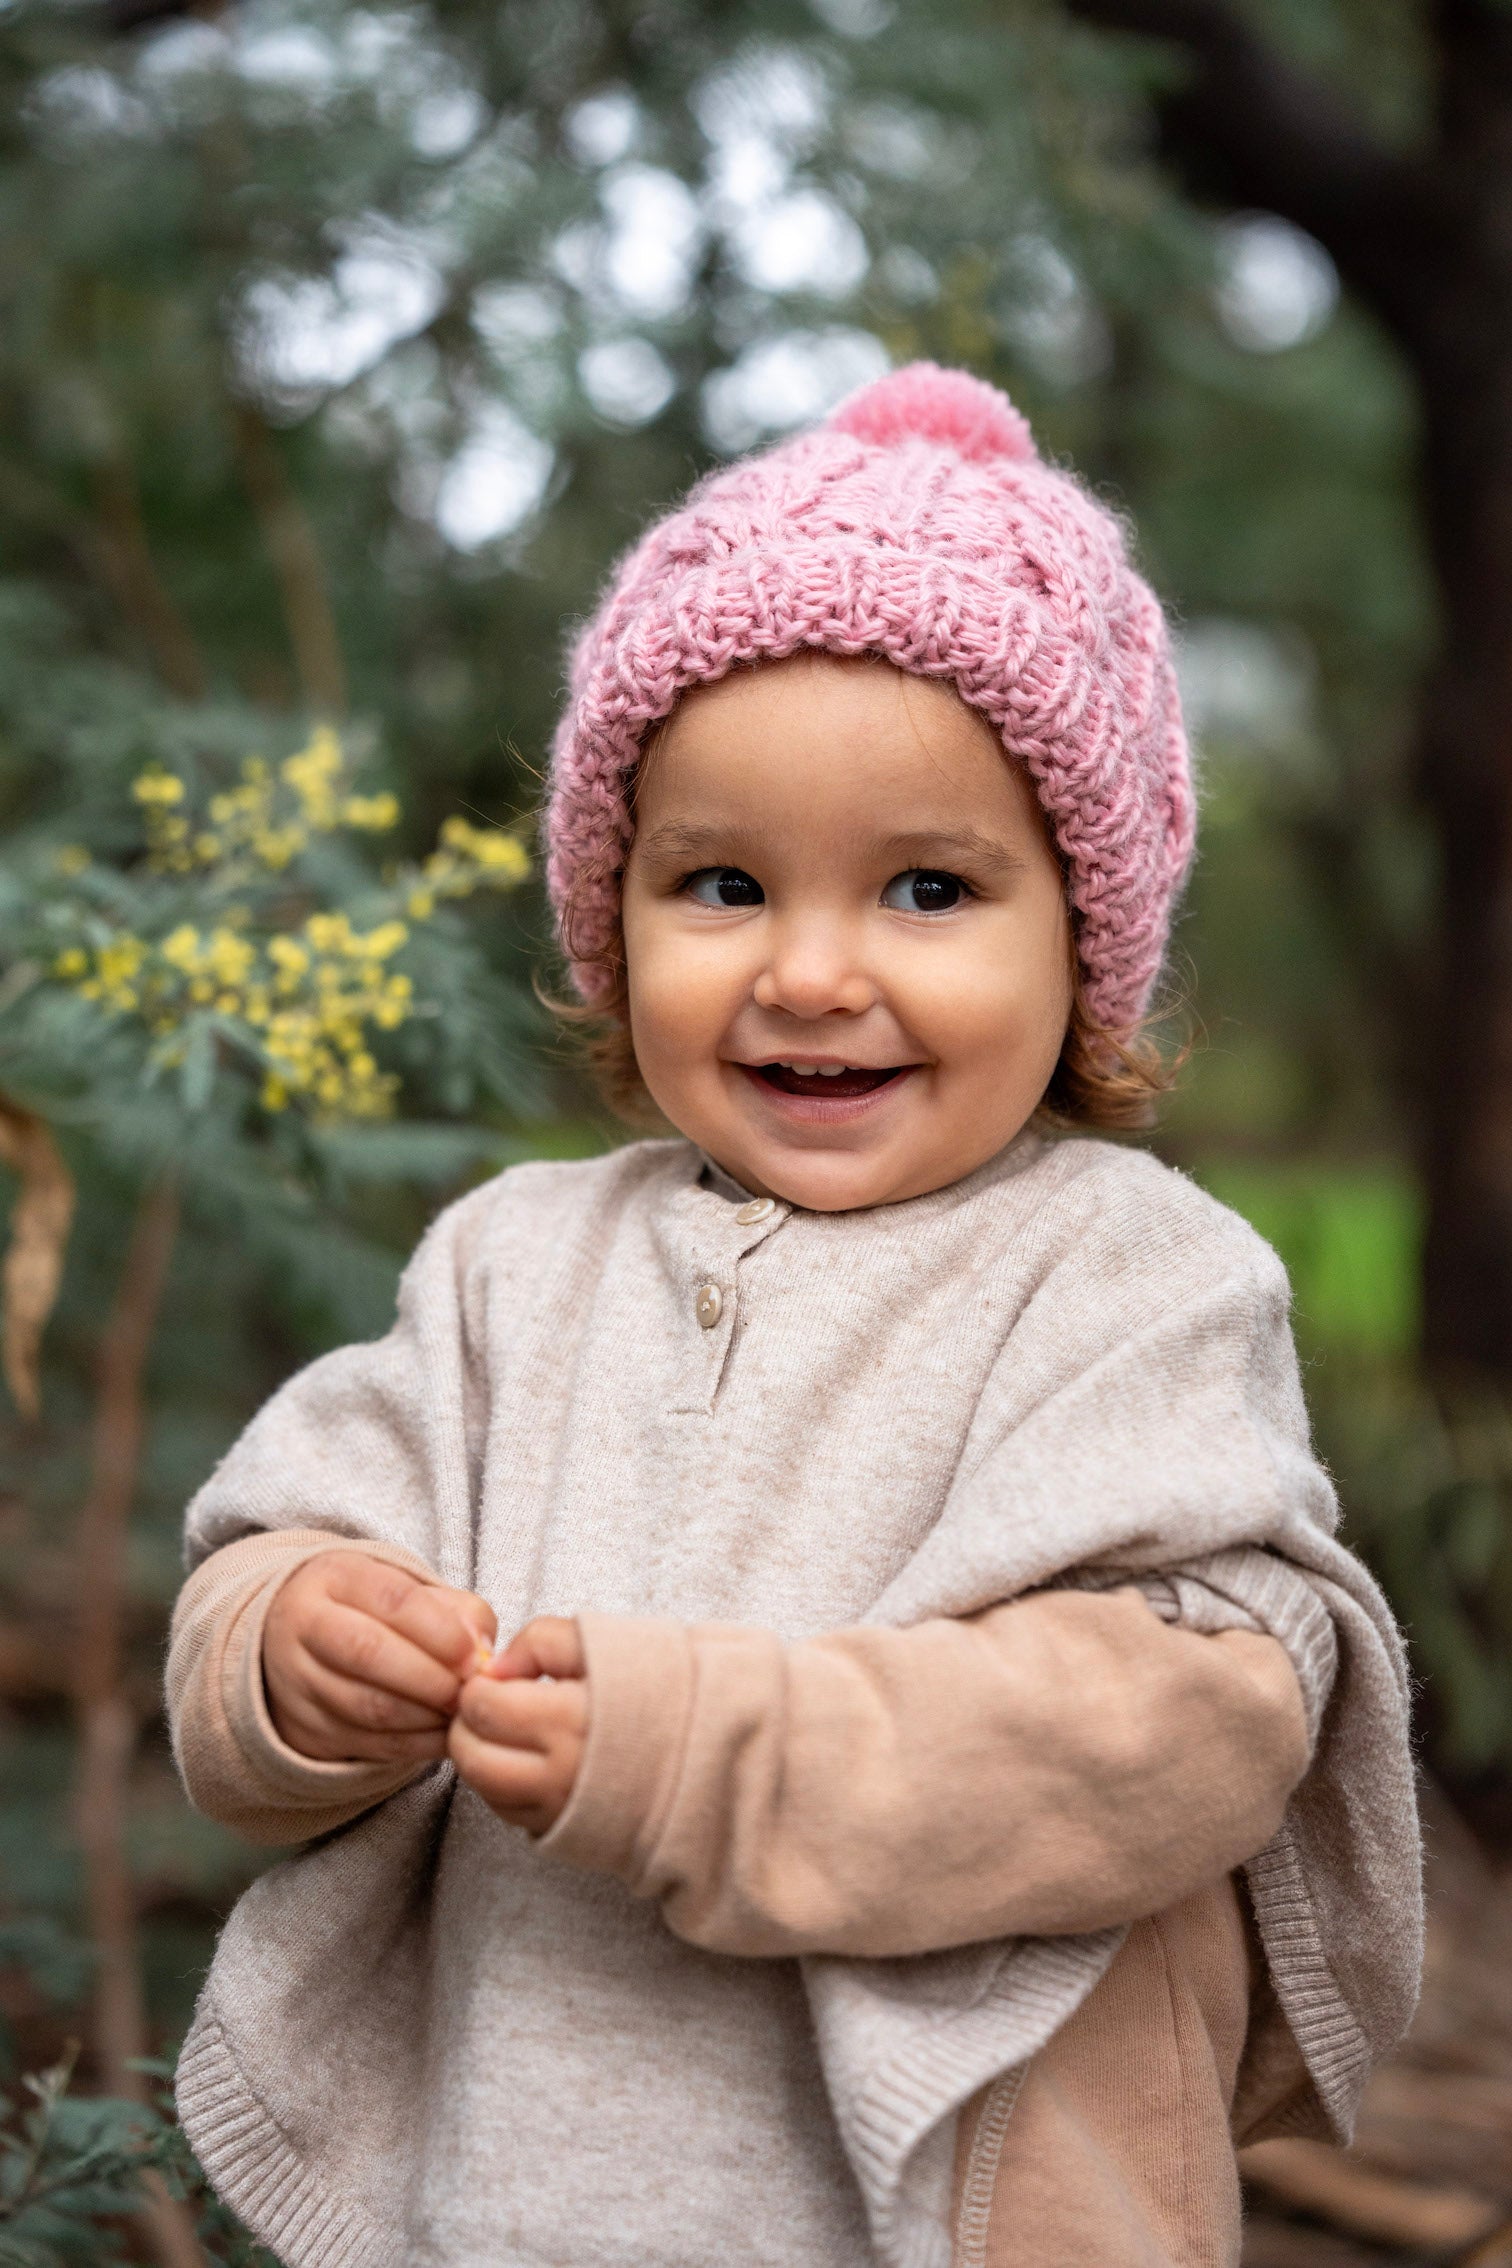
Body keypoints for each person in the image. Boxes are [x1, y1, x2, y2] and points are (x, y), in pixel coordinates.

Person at [167, 364, 1421, 2268]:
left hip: (946, 2209)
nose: (811, 971)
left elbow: (1190, 1723)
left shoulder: (1129, 1277)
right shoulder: (517, 1263)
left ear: (1085, 940)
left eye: (929, 887)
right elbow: (280, 1557)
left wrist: (710, 1751)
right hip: (507, 2196)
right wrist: (295, 1653)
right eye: (723, 883)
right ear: (614, 913)